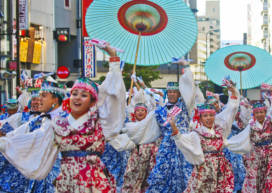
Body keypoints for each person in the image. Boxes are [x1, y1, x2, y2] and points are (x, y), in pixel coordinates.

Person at [0, 45, 126, 193]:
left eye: (84, 95)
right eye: (75, 94)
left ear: (92, 102)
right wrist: (4, 143)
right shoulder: (58, 125)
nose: (78, 98)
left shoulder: (100, 122)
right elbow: (32, 141)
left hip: (95, 184)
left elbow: (113, 95)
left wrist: (113, 59)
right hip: (66, 184)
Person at [170, 85, 239, 192]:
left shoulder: (220, 130)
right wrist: (174, 128)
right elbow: (182, 139)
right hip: (204, 169)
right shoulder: (197, 133)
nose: (208, 118)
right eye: (205, 116)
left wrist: (233, 93)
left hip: (221, 167)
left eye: (211, 115)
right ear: (201, 118)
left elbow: (231, 112)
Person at [146, 60, 196, 193]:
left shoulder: (185, 107)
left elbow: (190, 89)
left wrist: (186, 67)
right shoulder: (160, 111)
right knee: (161, 173)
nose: (172, 94)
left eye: (175, 92)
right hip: (167, 146)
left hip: (183, 144)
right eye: (170, 92)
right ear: (167, 94)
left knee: (186, 173)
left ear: (179, 94)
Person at [225, 88, 272, 193]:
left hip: (271, 155)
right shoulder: (251, 125)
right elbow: (242, 137)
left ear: (265, 112)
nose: (259, 115)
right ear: (254, 114)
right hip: (256, 157)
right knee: (256, 181)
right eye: (257, 113)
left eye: (261, 112)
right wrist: (227, 143)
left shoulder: (271, 122)